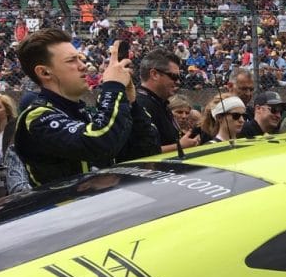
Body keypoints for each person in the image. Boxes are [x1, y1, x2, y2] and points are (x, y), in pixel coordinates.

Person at [14, 31, 157, 187]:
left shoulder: (86, 112)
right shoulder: (36, 117)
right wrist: (113, 88)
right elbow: (100, 144)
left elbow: (146, 151)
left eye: (80, 58)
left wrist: (130, 103)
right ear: (44, 72)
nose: (83, 66)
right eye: (71, 61)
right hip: (63, 209)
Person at [137, 48, 199, 153]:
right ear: (154, 74)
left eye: (179, 77)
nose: (178, 82)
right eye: (174, 76)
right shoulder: (140, 104)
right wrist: (179, 146)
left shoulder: (159, 102)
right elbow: (140, 152)